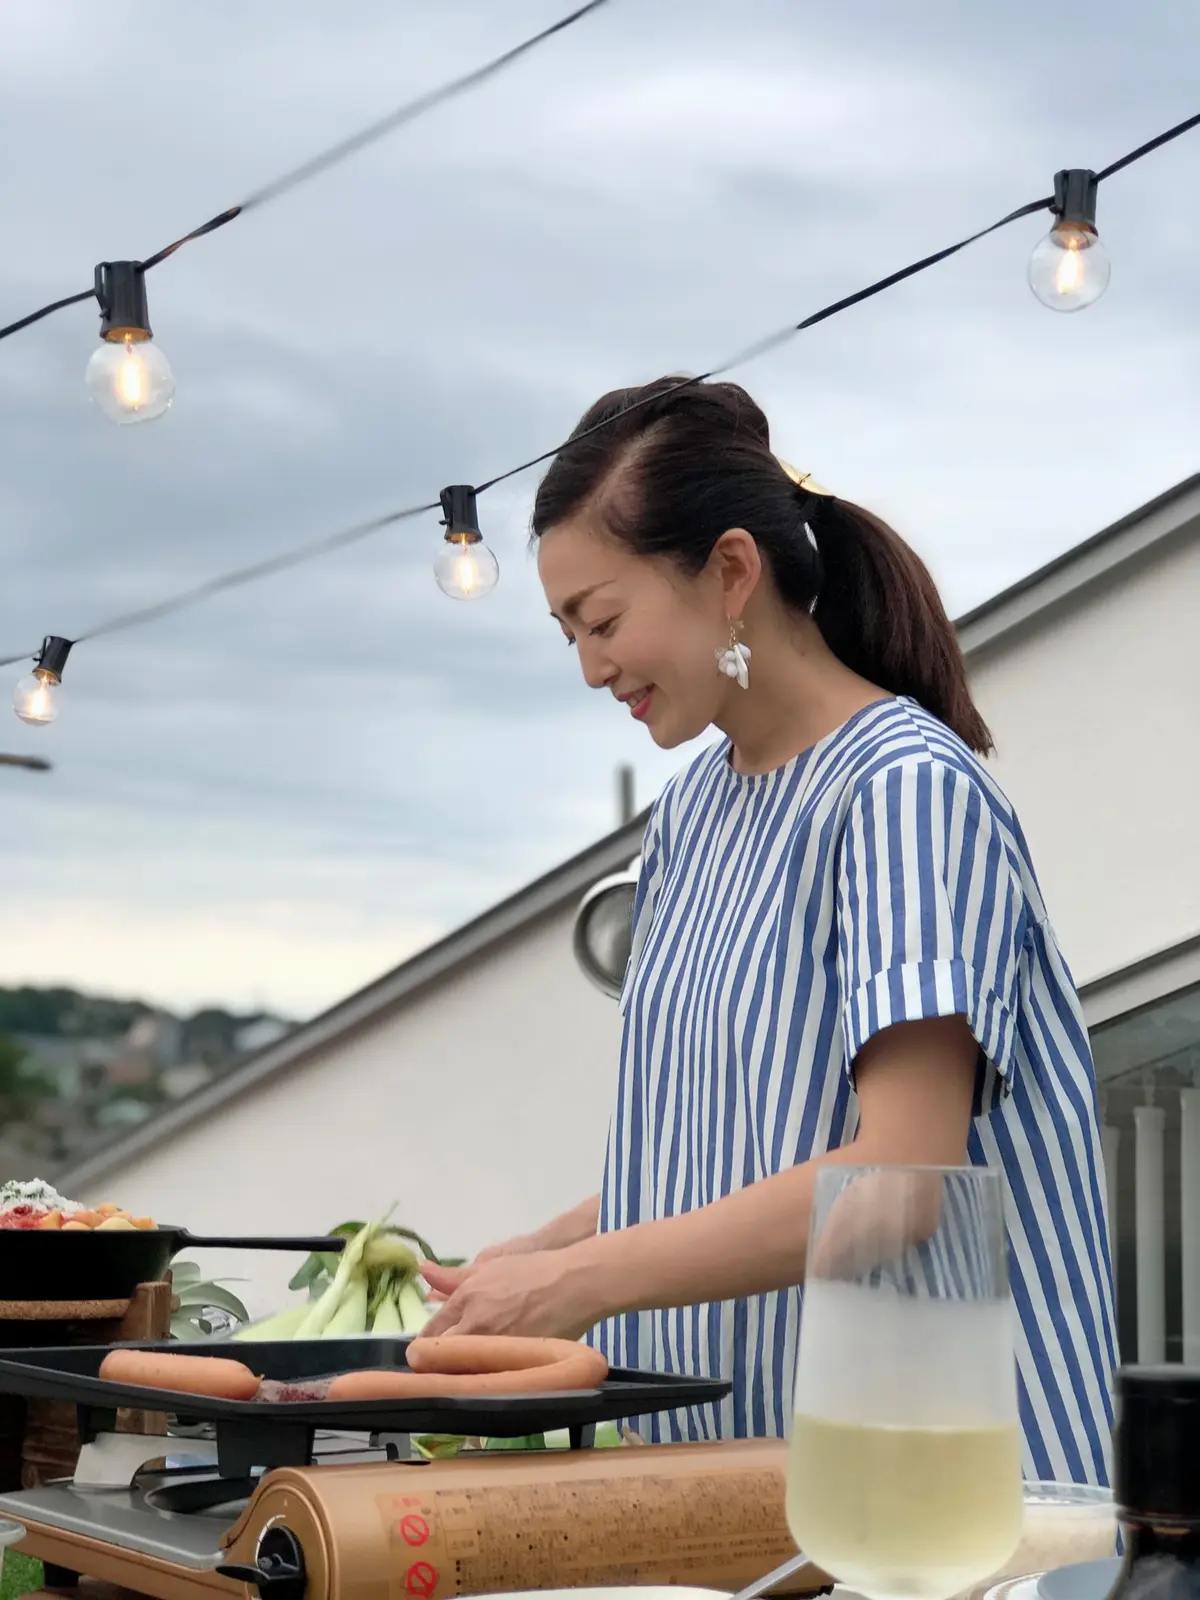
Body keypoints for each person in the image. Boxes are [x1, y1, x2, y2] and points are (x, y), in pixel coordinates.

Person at [420, 375, 1118, 1485]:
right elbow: (744, 1142)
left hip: (937, 1492)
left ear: (732, 572)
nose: (592, 666)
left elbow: (899, 1177)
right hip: (738, 1481)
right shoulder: (692, 813)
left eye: (604, 620)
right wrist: (553, 1246)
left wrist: (579, 1281)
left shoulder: (901, 789)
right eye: (570, 634)